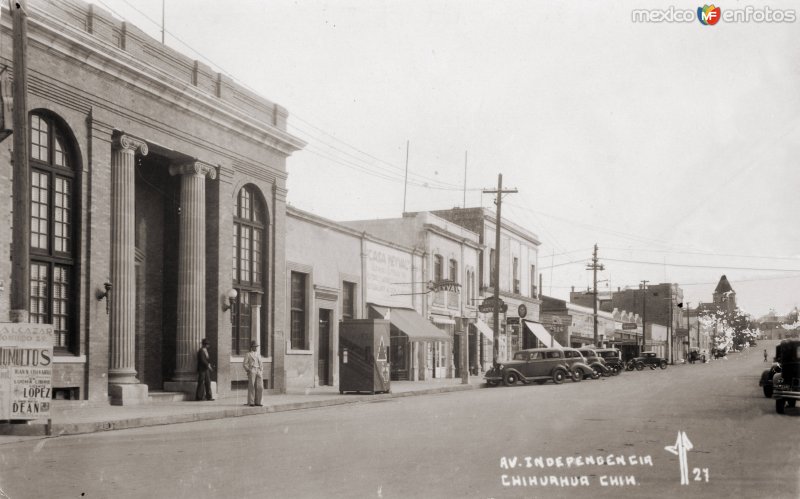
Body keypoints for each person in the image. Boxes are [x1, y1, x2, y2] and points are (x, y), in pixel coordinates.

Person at [243, 340, 264, 406]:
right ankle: (251, 402)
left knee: (260, 387)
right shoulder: (248, 354)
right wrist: (249, 370)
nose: (256, 348)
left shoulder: (258, 355)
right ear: (251, 347)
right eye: (255, 346)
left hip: (258, 370)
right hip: (252, 370)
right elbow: (245, 364)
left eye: (256, 346)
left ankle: (258, 402)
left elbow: (261, 364)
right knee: (251, 386)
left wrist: (261, 370)